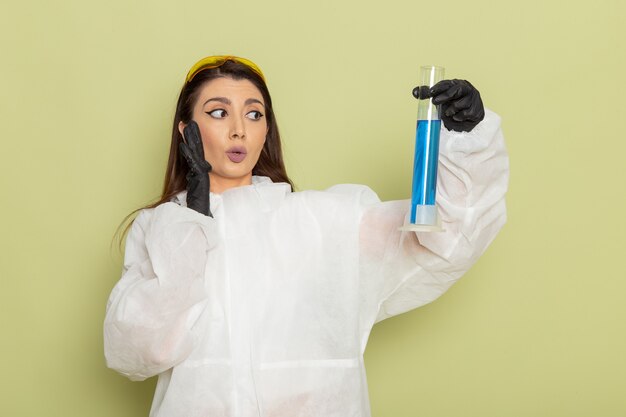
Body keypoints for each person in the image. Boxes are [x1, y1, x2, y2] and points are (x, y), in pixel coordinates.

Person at [104, 55, 509, 417]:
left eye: (254, 114)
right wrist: (193, 220)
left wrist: (470, 140)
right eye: (218, 113)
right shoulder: (160, 228)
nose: (239, 131)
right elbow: (139, 350)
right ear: (185, 130)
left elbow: (444, 241)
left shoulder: (324, 223)